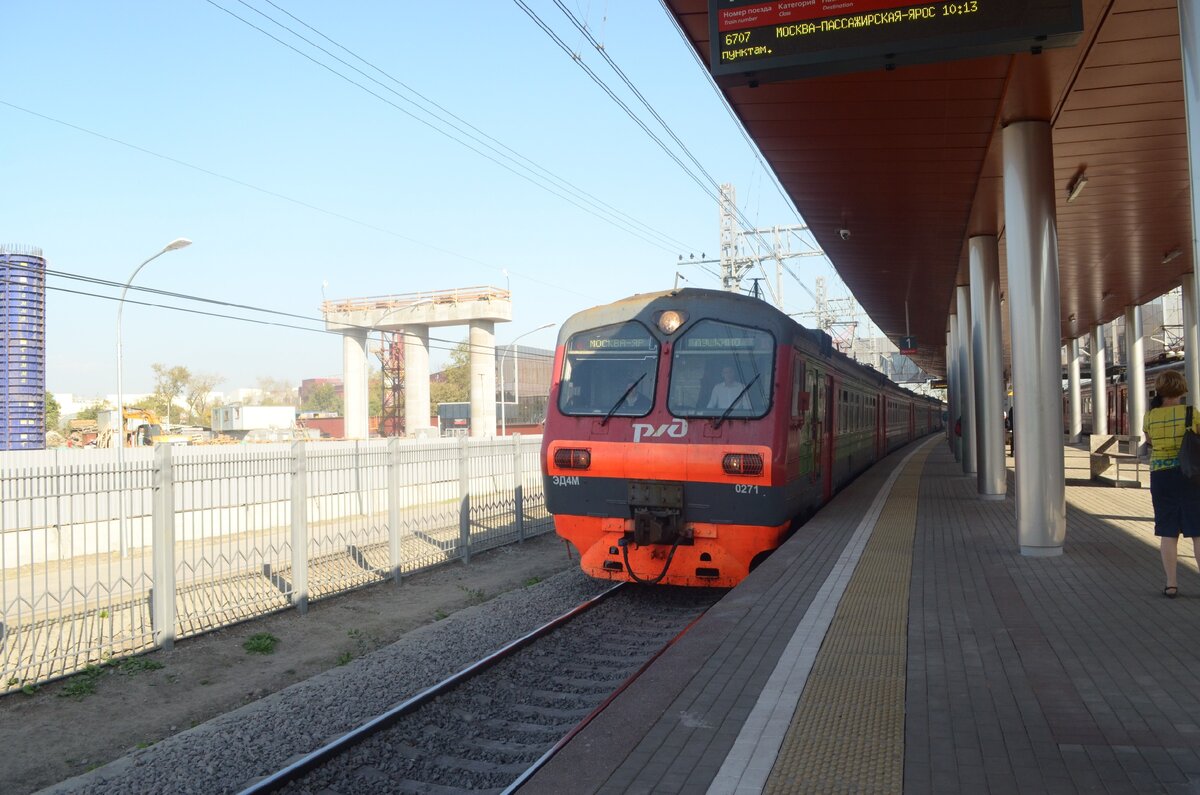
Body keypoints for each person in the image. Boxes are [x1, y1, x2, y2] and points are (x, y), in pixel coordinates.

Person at [1142, 369, 1200, 598]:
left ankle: (1171, 584)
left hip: (1161, 476)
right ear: (1181, 388)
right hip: (1190, 475)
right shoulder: (1191, 413)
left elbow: (1150, 441)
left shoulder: (1150, 416)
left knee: (1168, 531)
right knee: (1197, 531)